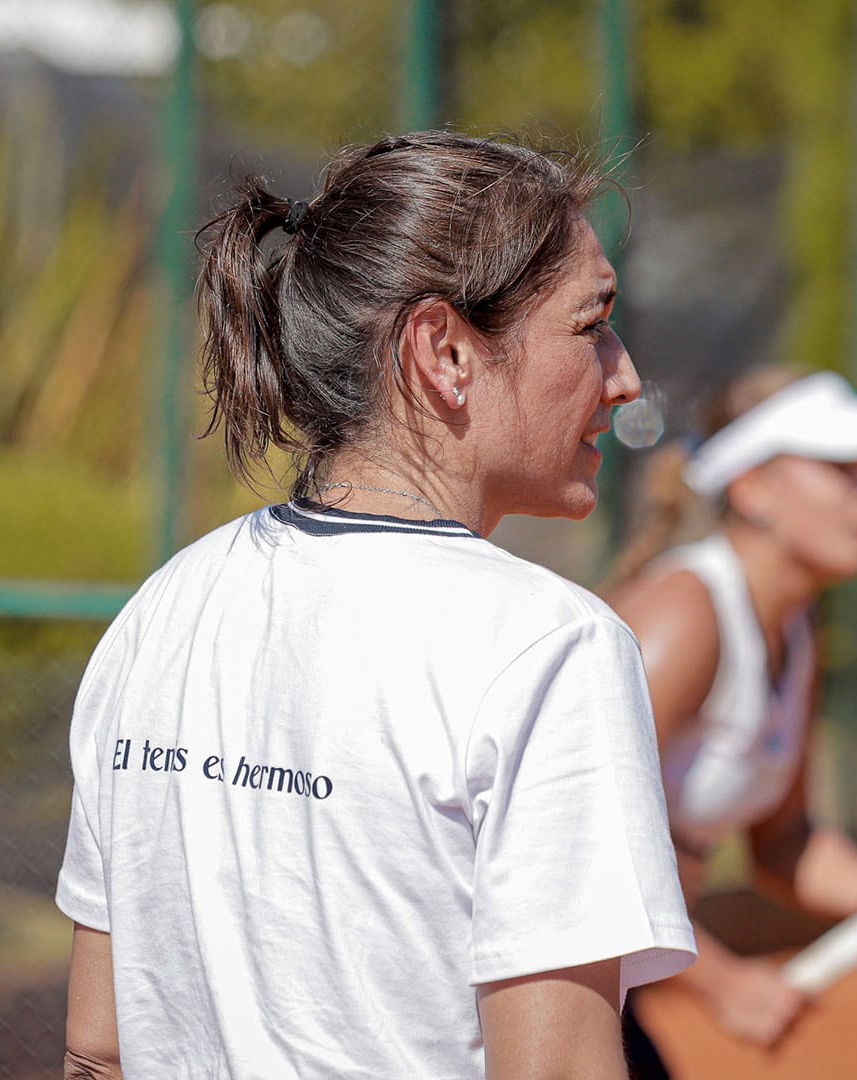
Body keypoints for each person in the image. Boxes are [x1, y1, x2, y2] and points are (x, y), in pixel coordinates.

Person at [55, 131, 696, 1079]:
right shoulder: (553, 646)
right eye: (589, 324)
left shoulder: (164, 608)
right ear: (443, 351)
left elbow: (98, 1045)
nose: (625, 373)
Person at [604, 365, 857, 1071]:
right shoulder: (685, 616)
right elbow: (569, 838)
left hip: (605, 980)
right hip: (486, 985)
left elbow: (782, 841)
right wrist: (721, 982)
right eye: (842, 470)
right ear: (754, 490)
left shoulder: (795, 634)